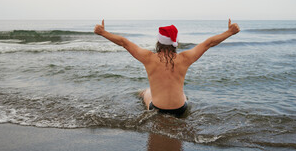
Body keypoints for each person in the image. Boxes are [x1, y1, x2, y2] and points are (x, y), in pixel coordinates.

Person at [94, 19, 240, 117]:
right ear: (175, 42)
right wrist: (230, 32)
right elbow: (208, 43)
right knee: (183, 95)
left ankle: (144, 96)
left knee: (146, 92)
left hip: (157, 109)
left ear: (159, 41)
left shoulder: (148, 58)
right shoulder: (185, 58)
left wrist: (102, 32)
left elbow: (124, 42)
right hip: (180, 110)